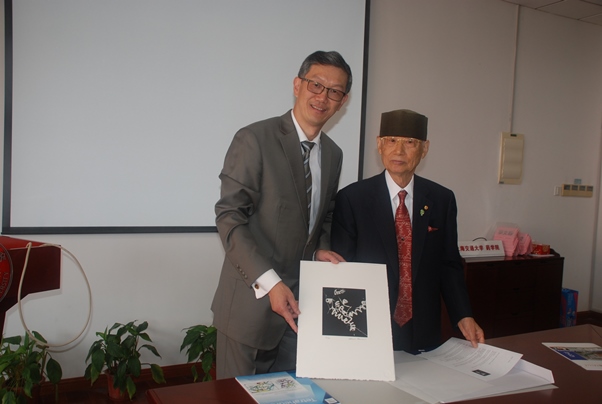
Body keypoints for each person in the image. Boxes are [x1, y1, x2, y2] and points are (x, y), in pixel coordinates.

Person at [211, 51, 351, 379]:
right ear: (297, 85)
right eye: (316, 85)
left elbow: (324, 216)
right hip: (249, 309)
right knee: (238, 398)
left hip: (301, 310)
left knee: (292, 396)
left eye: (334, 91)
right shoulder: (254, 139)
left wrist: (320, 249)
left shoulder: (333, 154)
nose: (323, 97)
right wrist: (271, 283)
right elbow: (230, 217)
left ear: (342, 102)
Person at [331, 109, 484, 352]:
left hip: (424, 328)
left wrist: (463, 314)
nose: (399, 151)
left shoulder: (441, 199)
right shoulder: (352, 199)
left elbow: (449, 264)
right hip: (369, 327)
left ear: (425, 149)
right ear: (379, 145)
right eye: (391, 141)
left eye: (410, 142)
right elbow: (343, 270)